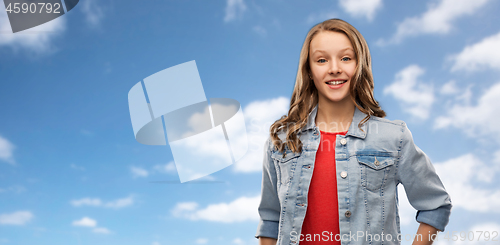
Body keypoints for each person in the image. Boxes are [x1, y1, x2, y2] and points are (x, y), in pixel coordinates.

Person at [254, 18, 452, 245]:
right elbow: (270, 220)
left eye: (346, 58)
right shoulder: (281, 141)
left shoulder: (393, 137)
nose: (334, 68)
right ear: (309, 70)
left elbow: (435, 205)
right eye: (321, 60)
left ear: (360, 65)